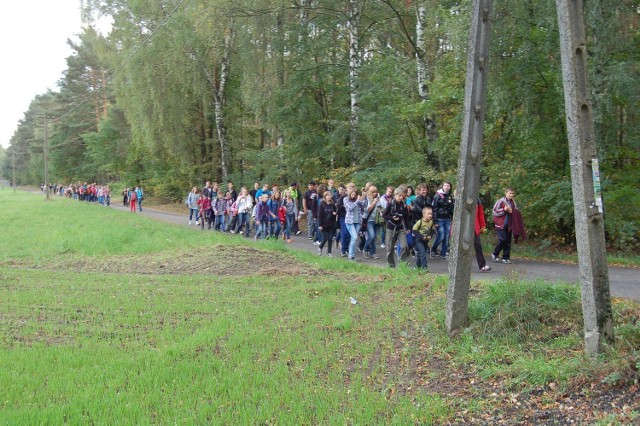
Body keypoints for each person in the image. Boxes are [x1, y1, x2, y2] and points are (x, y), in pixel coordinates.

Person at [383, 188, 410, 268]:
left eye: (402, 196)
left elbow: (406, 217)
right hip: (391, 228)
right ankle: (391, 266)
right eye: (399, 196)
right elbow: (384, 215)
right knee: (390, 248)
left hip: (400, 228)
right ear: (395, 195)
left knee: (405, 246)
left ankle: (403, 264)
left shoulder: (404, 205)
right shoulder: (390, 204)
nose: (401, 197)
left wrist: (408, 227)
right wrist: (392, 218)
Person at [492, 188, 517, 264]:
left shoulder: (513, 203)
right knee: (503, 239)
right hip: (500, 224)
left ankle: (505, 257)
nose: (511, 195)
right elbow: (495, 211)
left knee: (508, 241)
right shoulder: (501, 201)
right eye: (510, 193)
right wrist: (504, 210)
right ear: (506, 193)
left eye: (513, 193)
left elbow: (516, 212)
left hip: (509, 225)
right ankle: (495, 254)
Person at [430, 181, 454, 259]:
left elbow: (451, 208)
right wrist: (435, 220)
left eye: (448, 186)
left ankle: (443, 253)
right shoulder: (437, 196)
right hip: (439, 219)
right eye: (445, 186)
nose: (447, 187)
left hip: (447, 219)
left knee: (447, 237)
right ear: (442, 187)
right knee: (441, 236)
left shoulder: (450, 196)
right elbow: (434, 209)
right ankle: (433, 249)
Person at [343, 188, 365, 261]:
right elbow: (350, 208)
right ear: (349, 194)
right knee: (355, 237)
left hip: (358, 221)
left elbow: (363, 207)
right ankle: (351, 254)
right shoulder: (345, 199)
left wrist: (362, 199)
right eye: (352, 194)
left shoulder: (357, 200)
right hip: (350, 222)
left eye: (355, 194)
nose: (353, 195)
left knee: (353, 238)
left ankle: (351, 256)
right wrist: (357, 201)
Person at [412, 207, 436, 271]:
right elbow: (414, 231)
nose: (430, 215)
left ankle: (417, 267)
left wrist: (430, 236)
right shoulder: (419, 222)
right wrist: (421, 236)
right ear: (424, 214)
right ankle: (424, 269)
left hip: (425, 241)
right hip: (418, 241)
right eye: (428, 214)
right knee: (423, 253)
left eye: (431, 214)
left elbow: (433, 231)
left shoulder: (431, 222)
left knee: (421, 254)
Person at [363, 186, 382, 259]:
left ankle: (373, 253)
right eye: (373, 192)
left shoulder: (378, 199)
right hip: (369, 220)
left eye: (376, 192)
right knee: (372, 236)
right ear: (370, 192)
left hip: (377, 220)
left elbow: (380, 208)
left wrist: (381, 210)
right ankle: (365, 249)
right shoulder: (367, 199)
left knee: (374, 238)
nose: (375, 193)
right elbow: (367, 210)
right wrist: (374, 202)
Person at [317, 191, 338, 256]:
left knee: (330, 238)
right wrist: (320, 225)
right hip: (323, 225)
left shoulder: (333, 204)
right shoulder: (322, 204)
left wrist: (334, 214)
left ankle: (329, 252)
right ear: (325, 196)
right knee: (325, 238)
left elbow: (334, 212)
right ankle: (320, 247)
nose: (329, 196)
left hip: (331, 224)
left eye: (330, 195)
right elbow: (320, 215)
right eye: (328, 195)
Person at [475, 198, 492, 272]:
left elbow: (480, 213)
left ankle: (482, 265)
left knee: (478, 246)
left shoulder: (477, 200)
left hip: (474, 227)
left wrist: (482, 225)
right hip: (462, 228)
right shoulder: (461, 196)